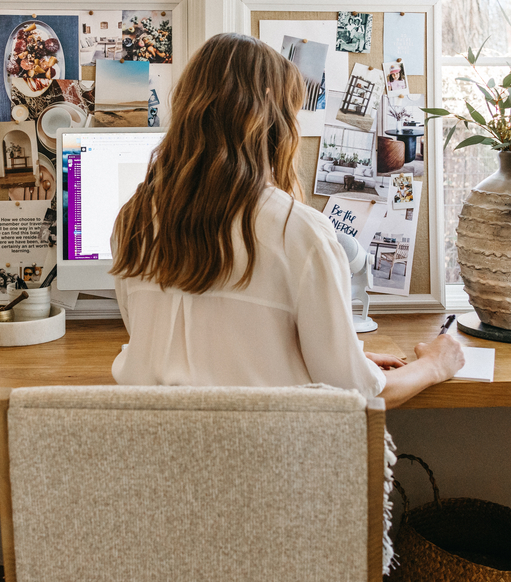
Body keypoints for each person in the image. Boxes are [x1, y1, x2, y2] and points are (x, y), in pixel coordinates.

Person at [110, 33, 463, 407]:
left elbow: (188, 354)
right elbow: (355, 396)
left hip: (163, 457)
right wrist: (437, 365)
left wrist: (331, 358)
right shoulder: (300, 232)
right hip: (263, 458)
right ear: (272, 120)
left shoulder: (131, 222)